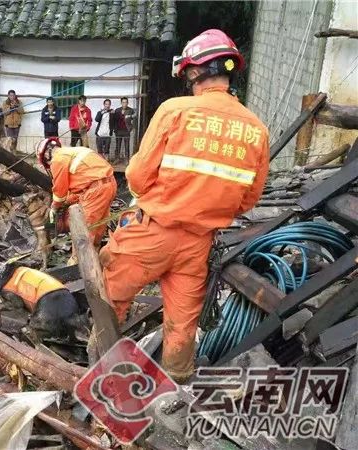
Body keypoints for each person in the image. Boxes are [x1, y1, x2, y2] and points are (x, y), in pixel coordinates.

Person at [100, 29, 270, 383]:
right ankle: (176, 386)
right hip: (199, 244)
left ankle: (100, 371)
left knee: (111, 299)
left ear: (194, 72)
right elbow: (248, 200)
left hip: (151, 232)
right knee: (181, 324)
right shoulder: (256, 129)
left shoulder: (175, 111)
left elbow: (137, 177)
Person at [37, 137, 116, 265]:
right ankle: (95, 259)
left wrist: (54, 207)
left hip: (95, 190)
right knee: (97, 227)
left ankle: (77, 265)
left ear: (46, 154)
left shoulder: (58, 160)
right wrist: (68, 200)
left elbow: (60, 192)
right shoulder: (74, 152)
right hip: (109, 184)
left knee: (82, 231)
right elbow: (81, 187)